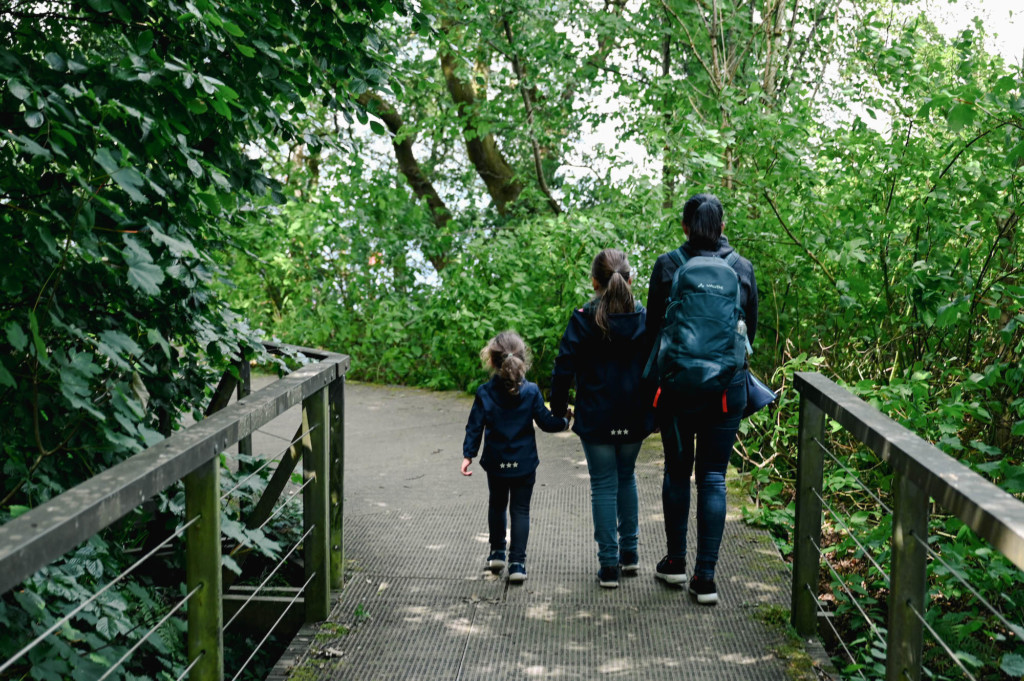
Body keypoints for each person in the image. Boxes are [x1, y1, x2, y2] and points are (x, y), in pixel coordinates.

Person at [646, 193, 758, 605]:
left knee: (677, 472)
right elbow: (750, 332)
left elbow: (653, 332)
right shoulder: (741, 268)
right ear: (723, 227)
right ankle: (706, 578)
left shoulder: (667, 265)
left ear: (685, 228)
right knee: (713, 476)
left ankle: (675, 563)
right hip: (726, 391)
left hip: (676, 390)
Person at [550, 249, 655, 589]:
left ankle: (609, 566)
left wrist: (557, 410)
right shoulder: (644, 317)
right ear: (630, 279)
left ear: (594, 282)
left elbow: (563, 367)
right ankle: (630, 555)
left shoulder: (584, 318)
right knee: (626, 477)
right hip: (635, 414)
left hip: (596, 416)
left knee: (603, 484)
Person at [462, 330, 571, 583]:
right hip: (524, 464)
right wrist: (565, 421)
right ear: (523, 359)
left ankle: (497, 551)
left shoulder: (485, 392)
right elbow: (545, 422)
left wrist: (468, 454)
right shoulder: (531, 391)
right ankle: (517, 564)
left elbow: (474, 426)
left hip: (496, 464)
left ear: (491, 360)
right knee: (520, 510)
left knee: (497, 505)